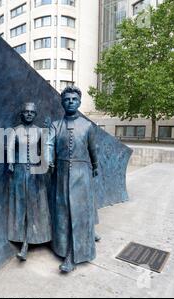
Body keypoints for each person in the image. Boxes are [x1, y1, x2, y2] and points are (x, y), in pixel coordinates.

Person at [46, 86, 99, 273]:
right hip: (61, 173)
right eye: (67, 99)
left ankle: (74, 254)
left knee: (79, 212)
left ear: (79, 102)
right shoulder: (55, 125)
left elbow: (93, 149)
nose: (70, 102)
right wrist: (50, 160)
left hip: (81, 173)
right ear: (62, 102)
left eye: (74, 99)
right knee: (63, 212)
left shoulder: (87, 126)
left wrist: (96, 166)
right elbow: (49, 143)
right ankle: (64, 247)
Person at [7, 102, 52, 261]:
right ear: (22, 114)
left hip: (36, 172)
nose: (29, 115)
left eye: (32, 113)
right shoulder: (15, 130)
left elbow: (46, 148)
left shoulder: (40, 131)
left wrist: (47, 162)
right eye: (26, 112)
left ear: (35, 115)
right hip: (19, 172)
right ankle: (24, 241)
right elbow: (11, 147)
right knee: (22, 205)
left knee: (37, 205)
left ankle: (41, 237)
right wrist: (11, 162)